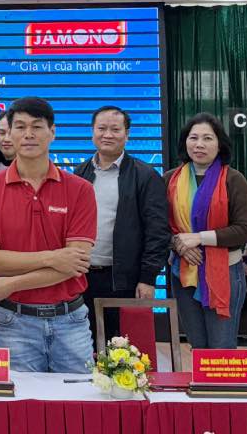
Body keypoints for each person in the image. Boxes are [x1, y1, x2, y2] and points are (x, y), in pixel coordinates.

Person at [0, 97, 97, 373]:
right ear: (8, 134)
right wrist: (54, 257)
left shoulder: (80, 190)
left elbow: (74, 266)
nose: (28, 134)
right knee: (19, 411)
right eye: (19, 127)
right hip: (13, 322)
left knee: (80, 406)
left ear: (52, 132)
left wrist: (12, 283)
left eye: (37, 126)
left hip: (71, 321)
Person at [73, 106, 169, 340]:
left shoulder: (145, 175)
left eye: (115, 129)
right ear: (92, 132)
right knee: (86, 344)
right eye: (101, 128)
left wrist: (148, 278)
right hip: (81, 275)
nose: (107, 135)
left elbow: (157, 232)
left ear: (127, 134)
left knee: (123, 349)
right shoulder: (80, 173)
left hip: (124, 278)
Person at [164, 113, 247, 350]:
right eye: (193, 138)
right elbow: (158, 226)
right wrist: (179, 244)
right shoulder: (169, 180)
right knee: (198, 346)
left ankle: (221, 388)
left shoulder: (234, 180)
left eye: (207, 138)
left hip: (225, 272)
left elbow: (245, 230)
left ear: (219, 144)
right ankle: (200, 387)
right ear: (185, 142)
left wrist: (199, 239)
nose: (199, 144)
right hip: (183, 273)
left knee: (221, 347)